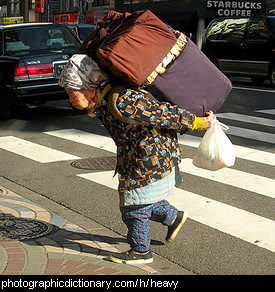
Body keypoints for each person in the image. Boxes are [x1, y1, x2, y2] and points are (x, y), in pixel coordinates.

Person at [59, 54, 215, 265]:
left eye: (71, 93)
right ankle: (173, 217)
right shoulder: (103, 101)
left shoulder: (122, 100)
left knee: (133, 206)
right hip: (137, 157)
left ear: (89, 89)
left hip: (150, 157)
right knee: (142, 199)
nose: (70, 99)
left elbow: (162, 114)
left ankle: (141, 251)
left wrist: (197, 123)